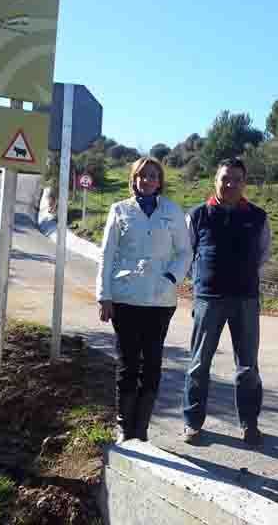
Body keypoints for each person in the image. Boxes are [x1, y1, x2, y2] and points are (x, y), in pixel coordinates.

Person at [97, 157, 191, 443]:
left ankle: (142, 429)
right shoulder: (120, 210)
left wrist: (172, 279)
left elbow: (185, 252)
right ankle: (125, 427)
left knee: (152, 364)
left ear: (160, 181)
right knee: (128, 363)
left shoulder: (172, 211)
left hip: (160, 301)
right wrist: (104, 295)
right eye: (142, 176)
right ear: (134, 179)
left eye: (153, 176)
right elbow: (107, 254)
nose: (148, 180)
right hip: (125, 298)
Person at [182, 157, 271, 447]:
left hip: (246, 300)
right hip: (208, 299)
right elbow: (187, 253)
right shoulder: (197, 215)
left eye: (236, 179)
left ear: (244, 183)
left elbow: (262, 254)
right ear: (215, 180)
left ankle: (250, 424)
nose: (230, 184)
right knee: (198, 364)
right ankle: (193, 423)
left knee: (248, 368)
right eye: (225, 179)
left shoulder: (258, 217)